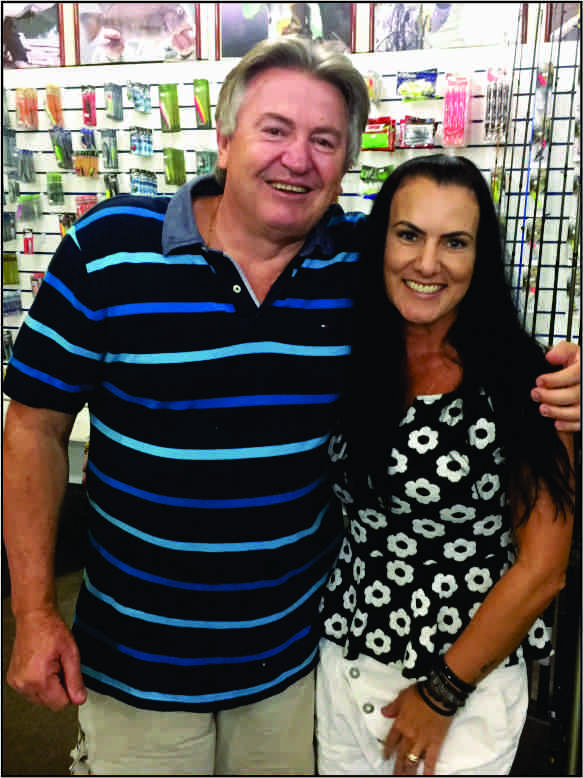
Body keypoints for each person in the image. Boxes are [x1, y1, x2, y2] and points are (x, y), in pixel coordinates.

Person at [2, 37, 579, 776]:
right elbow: (34, 428)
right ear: (225, 139)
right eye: (275, 129)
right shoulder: (108, 249)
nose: (297, 159)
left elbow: (463, 312)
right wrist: (33, 612)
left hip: (290, 665)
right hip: (139, 665)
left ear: (345, 163)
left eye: (324, 140)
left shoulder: (360, 264)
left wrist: (565, 375)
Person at [316, 154, 576, 775]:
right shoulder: (352, 356)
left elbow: (544, 570)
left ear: (480, 257)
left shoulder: (522, 380)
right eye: (409, 235)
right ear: (381, 241)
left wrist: (441, 694)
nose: (428, 263)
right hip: (344, 667)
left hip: (462, 692)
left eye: (454, 242)